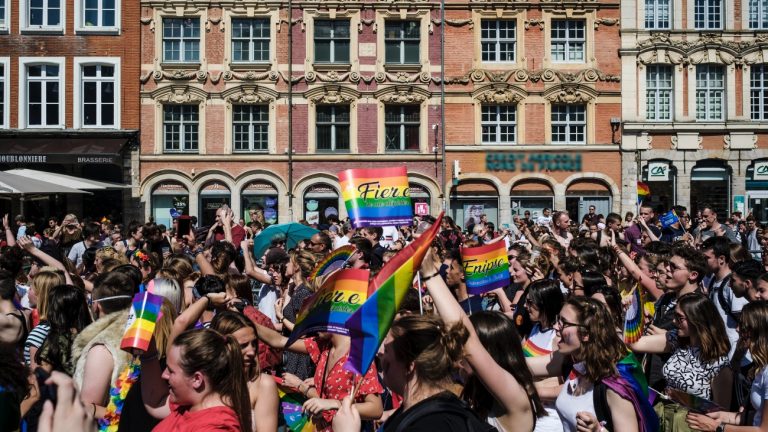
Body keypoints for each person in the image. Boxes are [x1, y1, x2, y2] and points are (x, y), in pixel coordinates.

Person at [420, 248, 546, 432]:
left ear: (488, 353)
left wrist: (430, 274)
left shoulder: (514, 397)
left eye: (467, 352)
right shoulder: (475, 391)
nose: (460, 356)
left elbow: (465, 337)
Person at [527, 297, 657, 432]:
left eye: (564, 323)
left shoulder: (614, 386)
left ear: (586, 334)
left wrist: (598, 430)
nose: (555, 327)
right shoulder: (571, 359)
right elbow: (524, 366)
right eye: (558, 319)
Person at [630, 293, 732, 430]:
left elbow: (721, 413)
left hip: (689, 426)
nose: (674, 322)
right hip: (663, 417)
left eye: (680, 318)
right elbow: (635, 344)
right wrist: (632, 312)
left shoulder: (718, 362)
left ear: (697, 320)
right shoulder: (676, 340)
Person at [140, 328, 252, 431]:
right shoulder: (190, 403)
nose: (164, 375)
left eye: (171, 371)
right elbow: (157, 402)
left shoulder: (215, 428)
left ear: (197, 379)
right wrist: (148, 354)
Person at [685, 301, 768, 432]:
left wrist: (717, 427)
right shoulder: (762, 368)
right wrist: (722, 416)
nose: (737, 329)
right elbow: (756, 417)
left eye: (743, 326)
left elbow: (764, 430)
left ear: (759, 330)